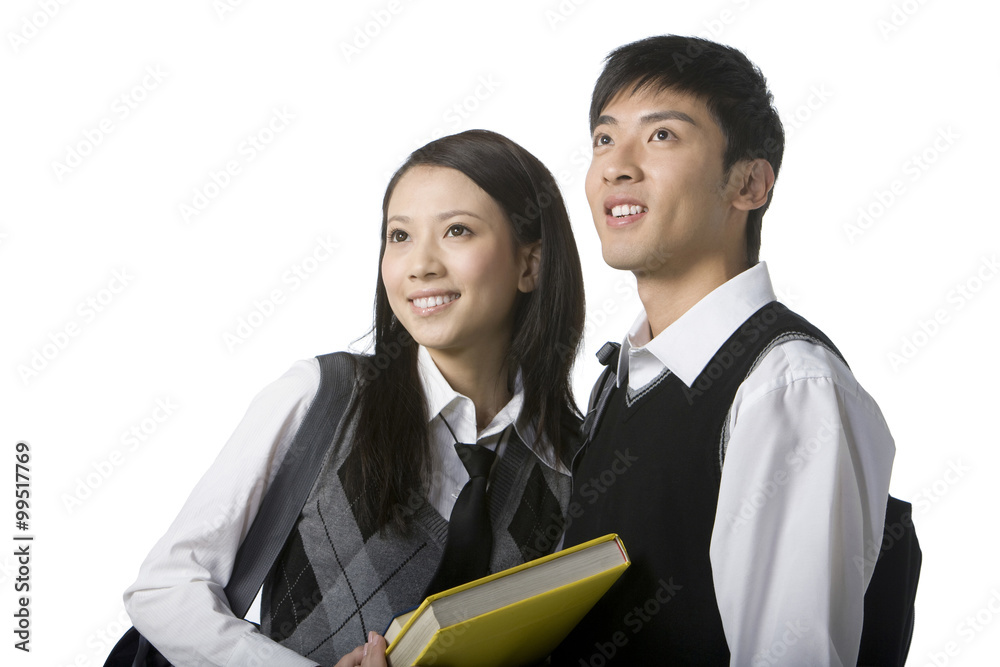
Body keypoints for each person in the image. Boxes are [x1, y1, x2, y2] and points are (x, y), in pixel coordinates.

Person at [123, 129, 586, 667]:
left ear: (530, 264)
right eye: (399, 236)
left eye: (456, 231)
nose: (420, 265)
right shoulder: (323, 399)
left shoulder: (572, 463)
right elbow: (166, 587)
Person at [550, 36, 896, 665]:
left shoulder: (785, 387)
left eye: (661, 137)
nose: (615, 166)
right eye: (604, 138)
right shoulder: (620, 380)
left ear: (749, 184)